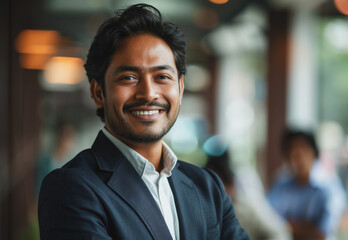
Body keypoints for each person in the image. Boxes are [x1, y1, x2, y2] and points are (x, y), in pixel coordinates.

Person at [38, 4, 250, 240]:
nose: (149, 93)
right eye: (129, 77)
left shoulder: (207, 187)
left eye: (162, 77)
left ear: (180, 88)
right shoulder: (71, 188)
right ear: (98, 92)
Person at [205, 149, 291, 240]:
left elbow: (280, 233)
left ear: (230, 183)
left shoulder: (248, 207)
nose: (213, 193)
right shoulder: (204, 210)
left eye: (219, 185)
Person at [267, 130, 330, 240]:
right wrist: (304, 228)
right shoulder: (282, 183)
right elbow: (267, 220)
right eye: (292, 150)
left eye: (302, 149)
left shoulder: (327, 186)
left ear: (313, 152)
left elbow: (322, 233)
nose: (297, 155)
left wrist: (289, 226)